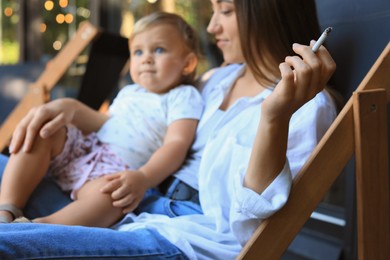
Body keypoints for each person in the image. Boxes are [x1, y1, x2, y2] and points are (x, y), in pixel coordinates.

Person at [0, 0, 337, 259]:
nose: (212, 27)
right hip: (143, 201)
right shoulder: (218, 79)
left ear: (268, 13)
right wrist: (66, 109)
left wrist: (273, 118)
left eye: (226, 11)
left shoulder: (303, 107)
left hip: (184, 232)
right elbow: (142, 121)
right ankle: (11, 214)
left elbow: (250, 230)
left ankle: (26, 229)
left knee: (10, 244)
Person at [0, 12, 203, 227]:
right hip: (86, 149)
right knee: (44, 131)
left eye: (159, 50)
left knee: (114, 198)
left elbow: (176, 144)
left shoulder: (183, 96)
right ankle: (7, 208)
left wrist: (143, 177)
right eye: (138, 52)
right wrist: (69, 111)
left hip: (115, 171)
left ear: (188, 64)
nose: (146, 59)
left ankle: (38, 228)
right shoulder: (130, 91)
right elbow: (105, 123)